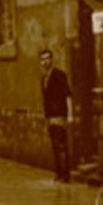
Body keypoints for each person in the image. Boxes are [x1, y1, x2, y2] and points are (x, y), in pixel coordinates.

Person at [40, 49, 74, 183]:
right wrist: (46, 118)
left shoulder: (59, 75)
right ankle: (59, 174)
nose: (45, 61)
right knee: (55, 147)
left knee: (61, 147)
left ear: (52, 59)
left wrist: (70, 115)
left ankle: (65, 177)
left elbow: (68, 96)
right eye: (42, 59)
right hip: (50, 118)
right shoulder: (43, 79)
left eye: (47, 58)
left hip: (60, 116)